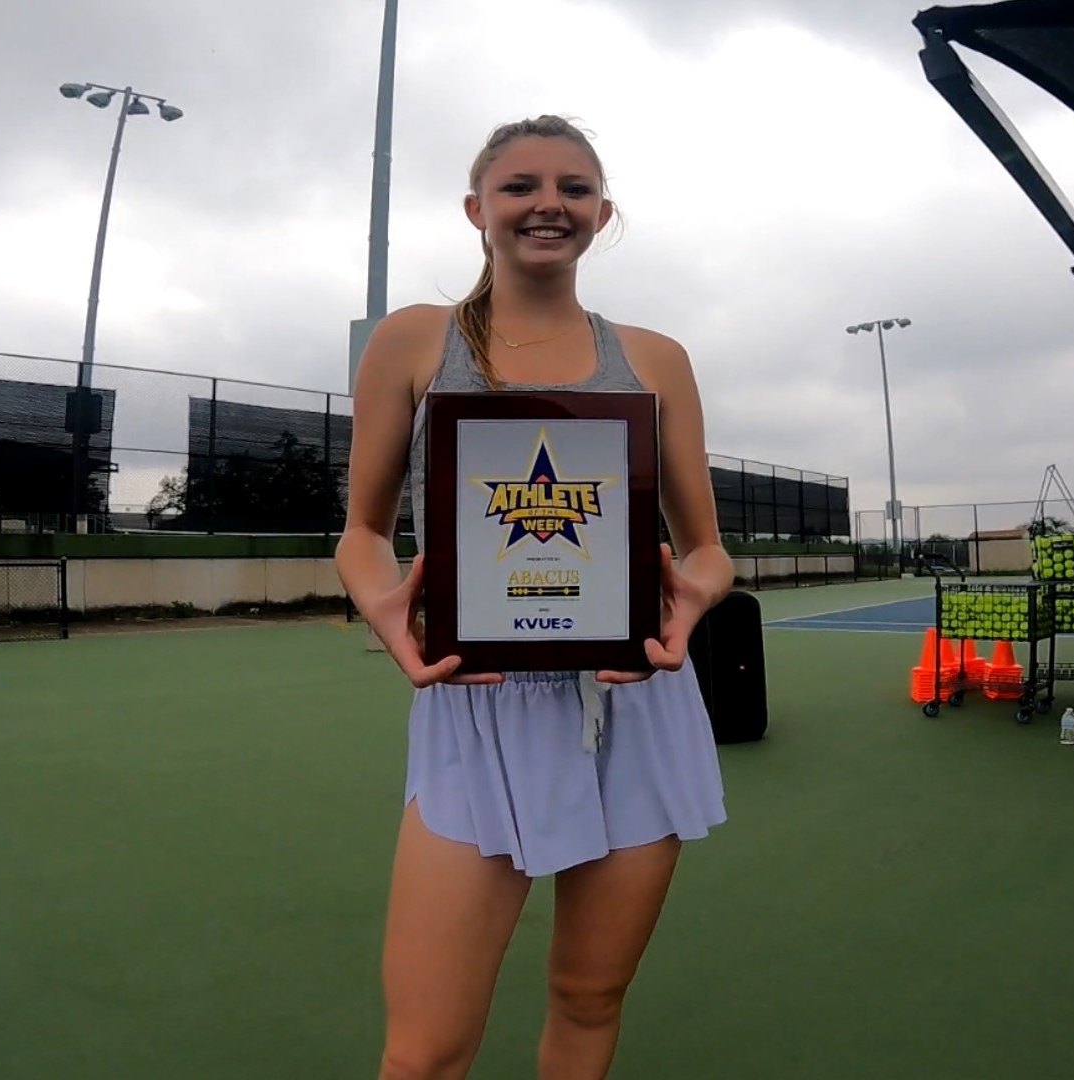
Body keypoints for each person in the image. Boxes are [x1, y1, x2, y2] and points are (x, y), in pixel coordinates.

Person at [337, 114, 733, 1080]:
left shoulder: (655, 357)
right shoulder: (412, 342)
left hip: (635, 702)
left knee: (589, 999)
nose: (548, 204)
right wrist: (383, 605)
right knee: (426, 1048)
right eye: (520, 187)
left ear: (603, 212)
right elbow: (361, 534)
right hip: (477, 706)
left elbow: (710, 550)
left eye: (573, 187)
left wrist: (690, 601)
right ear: (477, 209)